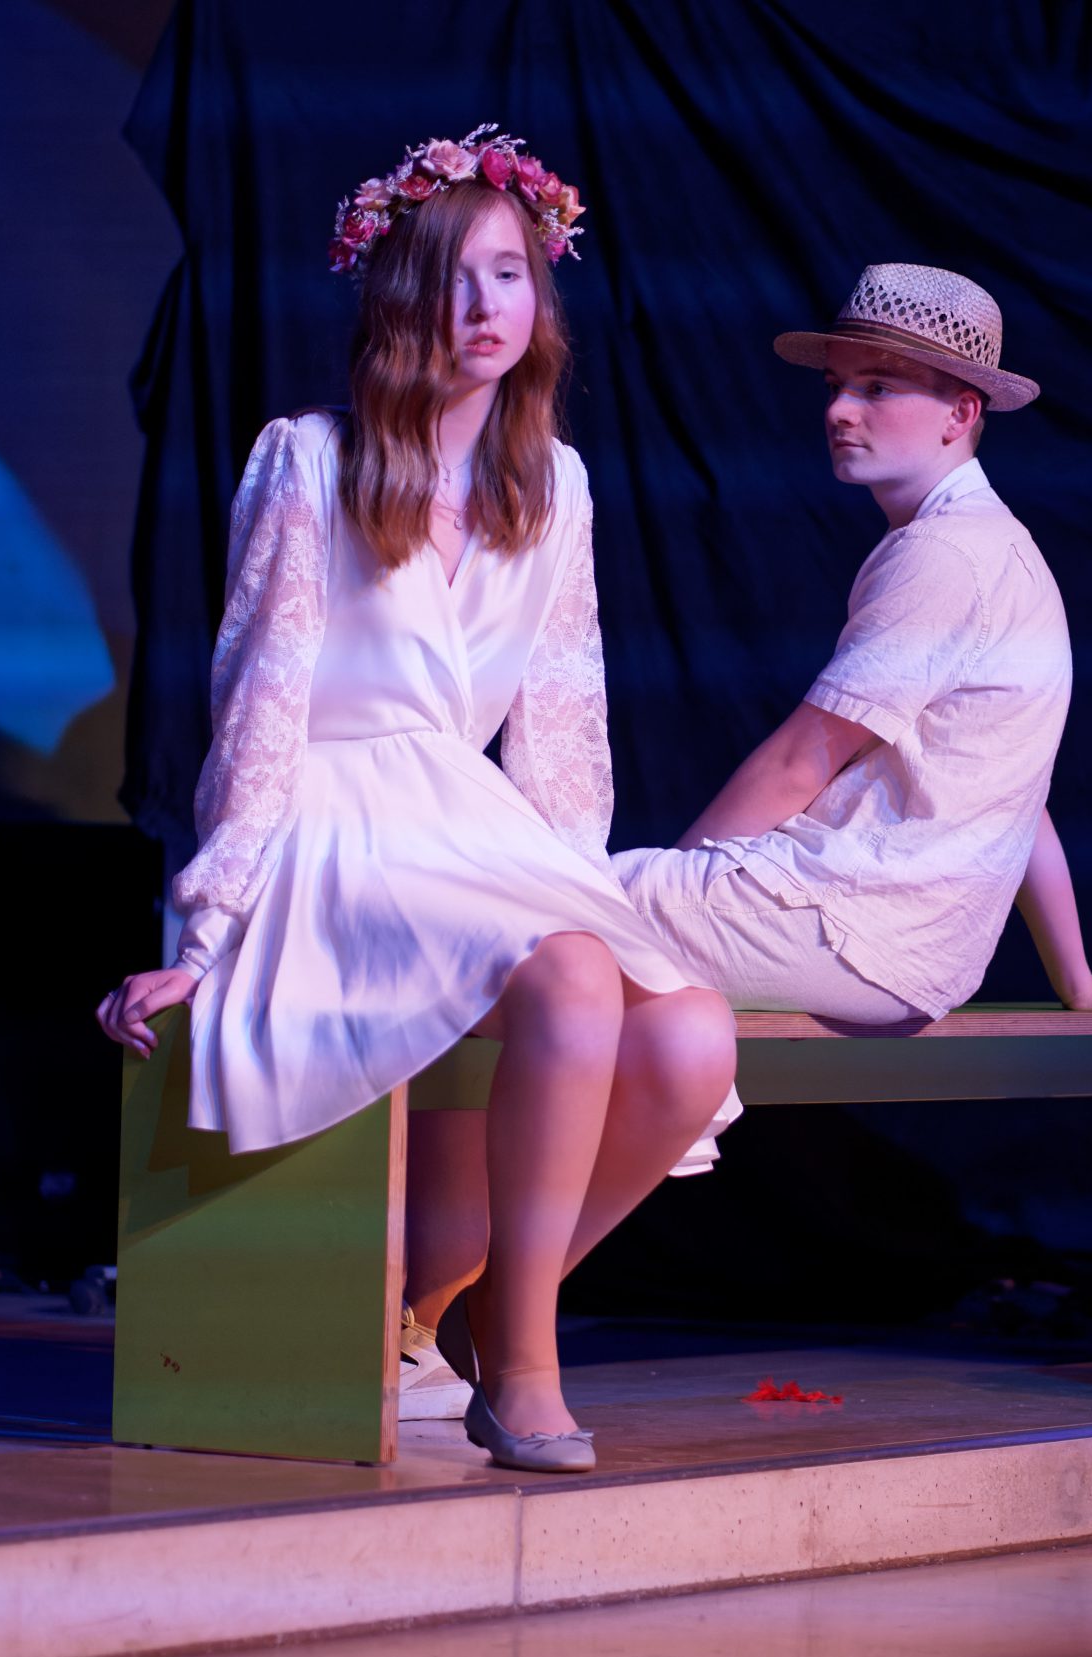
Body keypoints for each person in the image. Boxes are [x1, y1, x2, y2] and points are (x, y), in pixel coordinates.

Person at [95, 126, 736, 1474]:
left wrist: (581, 887)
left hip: (468, 822)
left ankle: (484, 1312)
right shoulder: (306, 460)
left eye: (506, 274)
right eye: (448, 276)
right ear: (395, 295)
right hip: (336, 818)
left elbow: (563, 732)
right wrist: (204, 930)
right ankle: (527, 1367)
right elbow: (259, 704)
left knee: (691, 1038)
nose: (480, 305)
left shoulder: (555, 486)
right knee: (571, 973)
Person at [614, 265, 1092, 1174]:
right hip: (909, 945)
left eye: (877, 387)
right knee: (561, 944)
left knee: (550, 911)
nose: (839, 410)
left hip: (857, 930)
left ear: (961, 413)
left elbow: (800, 761)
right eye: (836, 385)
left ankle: (480, 1241)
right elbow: (1017, 797)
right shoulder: (994, 548)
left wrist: (679, 887)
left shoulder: (946, 555)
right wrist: (1076, 975)